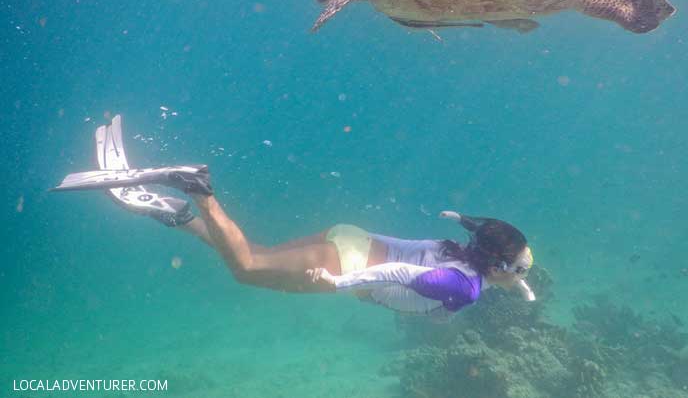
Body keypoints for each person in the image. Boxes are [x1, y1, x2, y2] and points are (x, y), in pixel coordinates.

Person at [52, 116, 535, 315]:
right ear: (495, 266)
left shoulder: (470, 258)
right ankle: (195, 187)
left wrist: (465, 220)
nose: (525, 274)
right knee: (246, 269)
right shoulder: (464, 288)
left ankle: (168, 212)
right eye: (521, 269)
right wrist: (337, 283)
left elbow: (477, 233)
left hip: (348, 236)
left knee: (253, 254)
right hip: (344, 264)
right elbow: (399, 271)